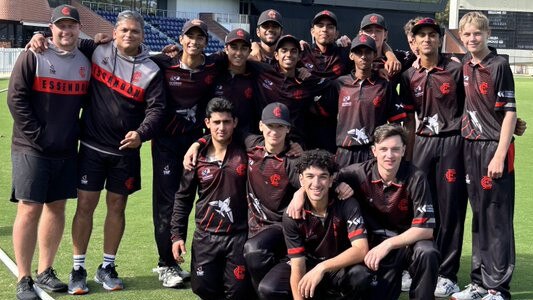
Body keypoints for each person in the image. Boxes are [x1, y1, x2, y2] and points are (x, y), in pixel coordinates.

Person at [67, 10, 165, 294]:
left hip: (125, 151)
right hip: (91, 147)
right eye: (124, 30)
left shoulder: (152, 70)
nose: (129, 35)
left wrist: (141, 133)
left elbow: (157, 109)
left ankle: (107, 267)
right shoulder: (96, 49)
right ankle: (77, 269)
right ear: (114, 32)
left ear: (142, 35)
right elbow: (65, 41)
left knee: (117, 208)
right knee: (85, 205)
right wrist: (38, 37)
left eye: (134, 31)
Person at [7, 5, 90, 300]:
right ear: (50, 29)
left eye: (71, 26)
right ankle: (24, 278)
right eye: (60, 26)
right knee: (29, 209)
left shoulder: (86, 59)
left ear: (79, 29)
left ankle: (45, 270)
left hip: (66, 150)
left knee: (56, 208)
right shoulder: (33, 55)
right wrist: (38, 137)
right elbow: (16, 100)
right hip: (32, 148)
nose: (66, 31)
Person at [399, 17, 468, 298]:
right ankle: (417, 265)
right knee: (420, 207)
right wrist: (410, 153)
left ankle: (447, 274)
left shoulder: (456, 69)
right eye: (421, 35)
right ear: (413, 41)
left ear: (440, 39)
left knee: (451, 208)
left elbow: (474, 106)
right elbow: (408, 120)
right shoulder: (408, 75)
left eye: (432, 35)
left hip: (453, 143)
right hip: (423, 144)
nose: (426, 39)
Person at [451, 12, 517, 300]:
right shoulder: (465, 65)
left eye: (477, 33)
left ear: (487, 34)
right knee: (478, 216)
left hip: (493, 149)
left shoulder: (499, 65)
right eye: (466, 35)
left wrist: (500, 155)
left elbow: (510, 113)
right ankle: (479, 283)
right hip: (470, 147)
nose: (471, 39)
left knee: (496, 220)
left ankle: (498, 288)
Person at [149, 19, 219, 287]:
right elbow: (127, 53)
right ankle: (165, 263)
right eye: (190, 36)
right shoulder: (163, 63)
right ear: (181, 39)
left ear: (205, 42)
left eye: (200, 37)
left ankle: (188, 260)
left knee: (195, 201)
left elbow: (245, 54)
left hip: (196, 144)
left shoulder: (213, 65)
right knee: (166, 204)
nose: (195, 41)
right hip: (166, 146)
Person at [336, 124, 439, 300]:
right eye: (383, 149)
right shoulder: (355, 173)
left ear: (404, 150)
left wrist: (389, 244)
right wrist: (335, 185)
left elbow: (426, 229)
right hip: (371, 244)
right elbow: (321, 178)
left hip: (404, 244)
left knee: (427, 252)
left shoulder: (416, 177)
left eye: (395, 150)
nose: (389, 155)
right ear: (374, 151)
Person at [260, 149, 372, 300]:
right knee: (269, 288)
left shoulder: (347, 204)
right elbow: (298, 265)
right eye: (310, 176)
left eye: (323, 177)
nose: (316, 183)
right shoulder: (292, 214)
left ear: (332, 180)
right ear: (301, 180)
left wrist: (322, 267)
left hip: (337, 265)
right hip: (307, 263)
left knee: (361, 276)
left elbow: (360, 249)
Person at [171, 98, 250, 299]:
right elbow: (183, 197)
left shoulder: (246, 152)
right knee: (203, 288)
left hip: (238, 236)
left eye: (226, 122)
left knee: (238, 292)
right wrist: (177, 236)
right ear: (207, 123)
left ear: (235, 123)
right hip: (206, 236)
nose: (221, 127)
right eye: (216, 122)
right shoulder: (196, 158)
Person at [334, 33, 406, 167]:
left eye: (367, 52)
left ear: (374, 55)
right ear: (351, 55)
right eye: (358, 52)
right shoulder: (339, 84)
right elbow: (326, 117)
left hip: (373, 151)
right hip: (344, 152)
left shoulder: (384, 85)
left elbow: (396, 122)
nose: (363, 56)